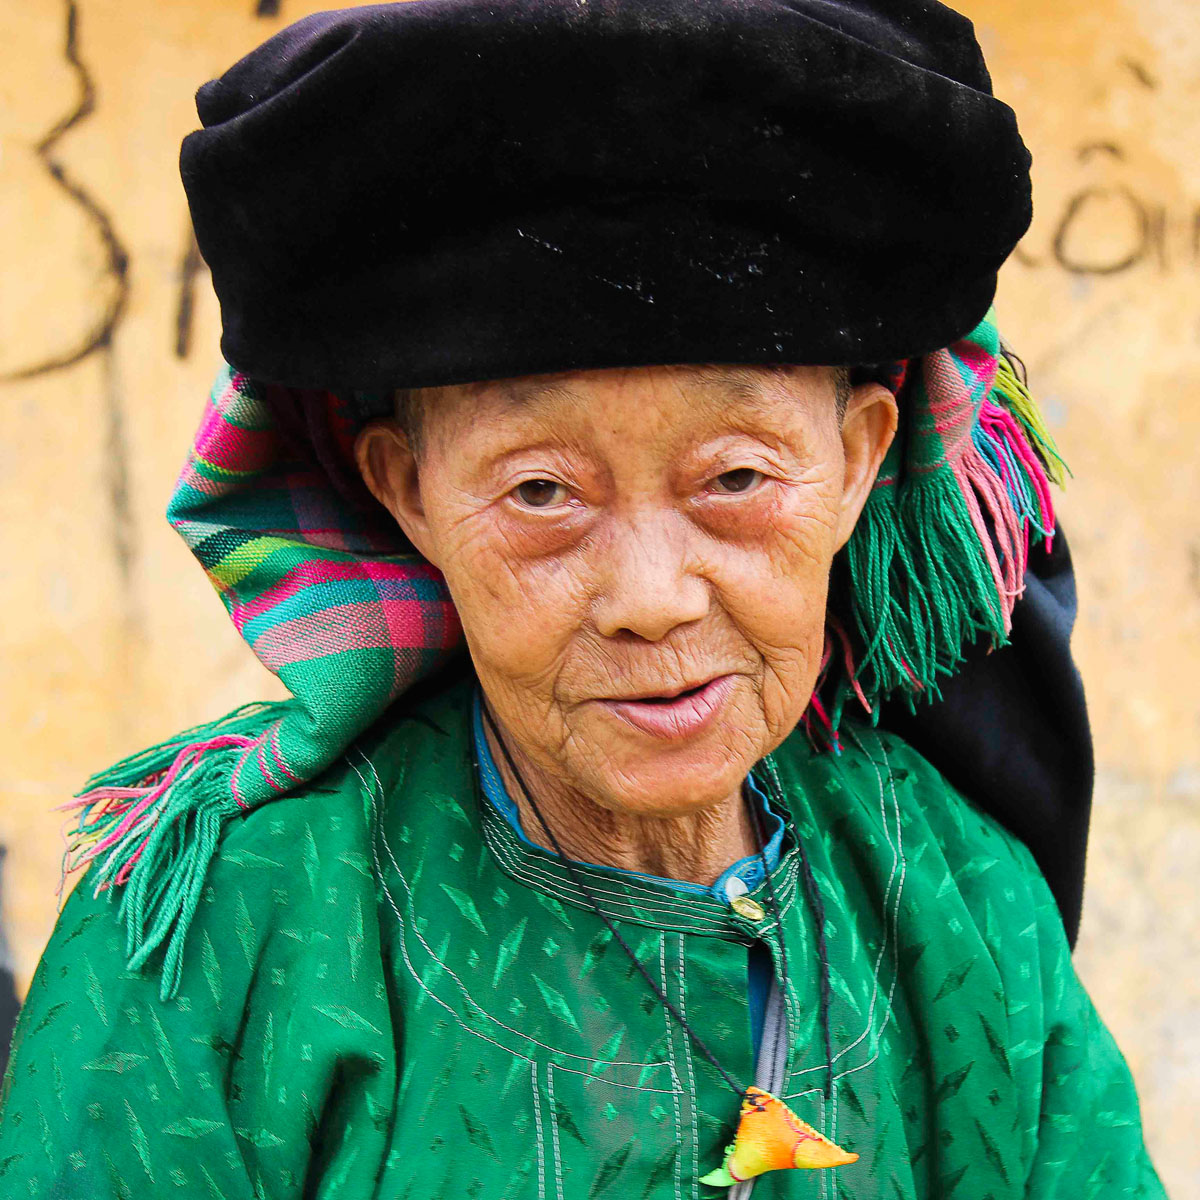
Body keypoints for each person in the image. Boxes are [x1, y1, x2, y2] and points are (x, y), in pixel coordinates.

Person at [0, 1, 1166, 1196]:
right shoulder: (221, 945)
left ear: (862, 460)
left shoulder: (961, 902)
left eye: (737, 478)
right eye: (544, 490)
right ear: (408, 493)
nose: (650, 599)